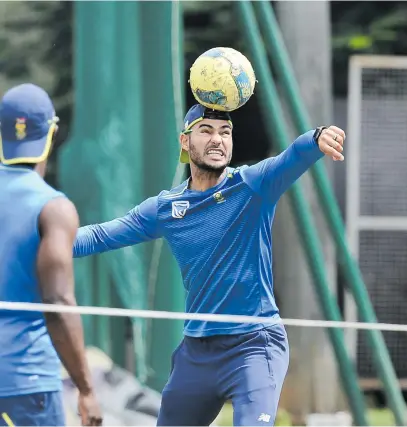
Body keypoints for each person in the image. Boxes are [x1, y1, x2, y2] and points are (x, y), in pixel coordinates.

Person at [73, 103, 345, 426]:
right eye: (206, 131)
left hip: (254, 346)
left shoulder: (251, 186)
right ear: (185, 142)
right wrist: (43, 241)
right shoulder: (166, 208)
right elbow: (101, 235)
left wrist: (316, 138)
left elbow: (289, 159)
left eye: (225, 132)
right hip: (198, 352)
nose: (218, 140)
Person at [0, 83, 102, 427]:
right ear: (52, 133)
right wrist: (86, 389)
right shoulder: (54, 208)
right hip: (25, 386)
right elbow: (57, 303)